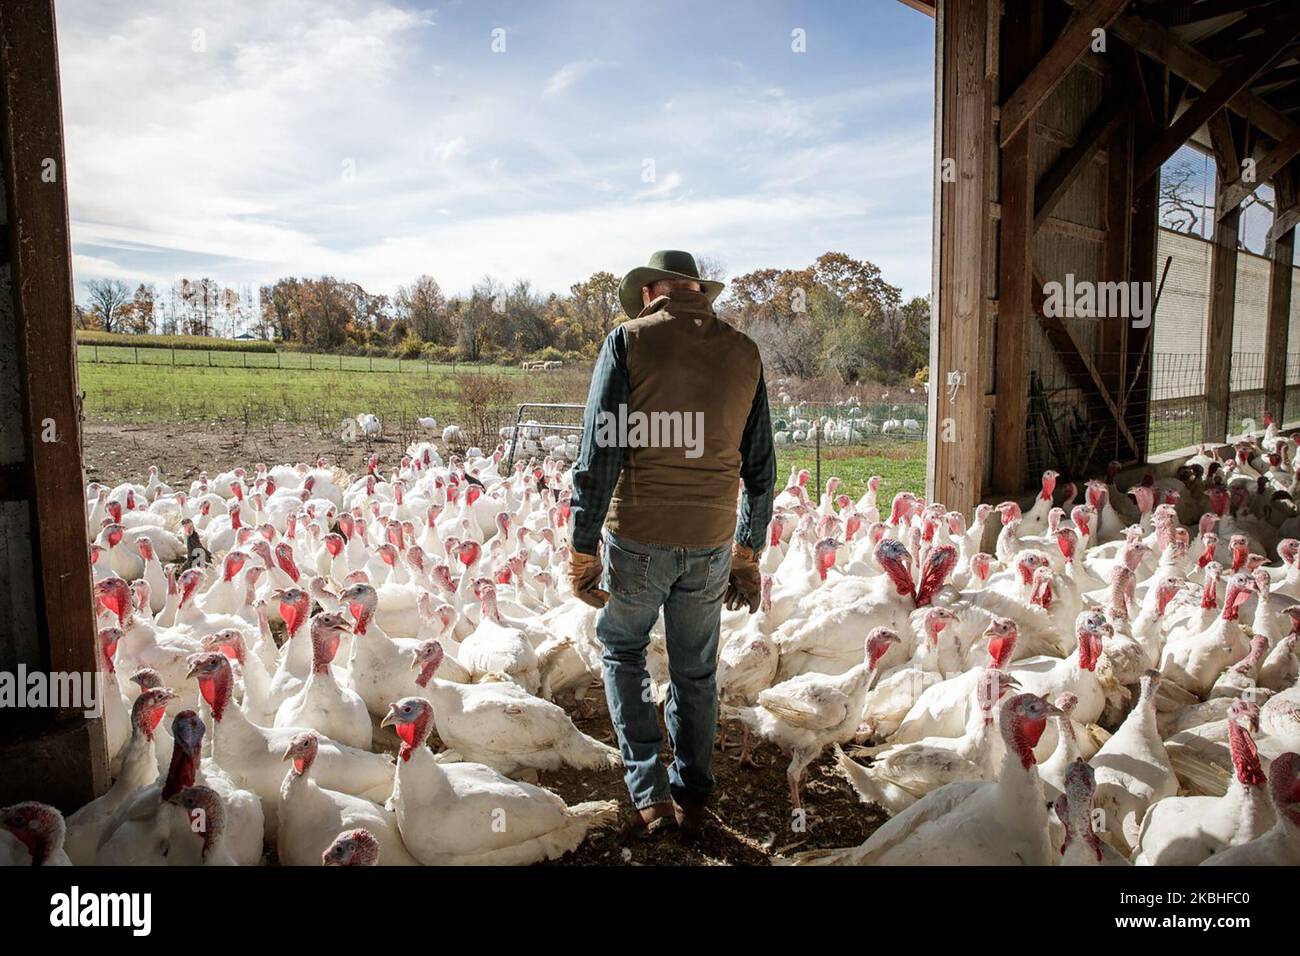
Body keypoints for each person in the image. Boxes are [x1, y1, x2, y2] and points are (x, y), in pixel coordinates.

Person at [566, 249, 776, 839]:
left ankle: (648, 793)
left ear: (653, 291)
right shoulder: (745, 351)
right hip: (711, 541)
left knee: (625, 650)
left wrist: (583, 548)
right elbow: (761, 466)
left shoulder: (628, 341)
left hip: (637, 536)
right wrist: (747, 550)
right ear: (695, 291)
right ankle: (694, 795)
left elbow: (598, 453)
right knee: (696, 671)